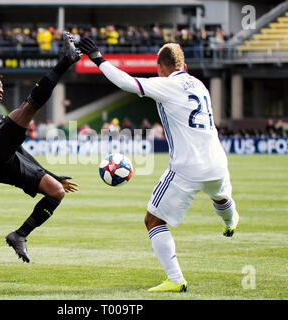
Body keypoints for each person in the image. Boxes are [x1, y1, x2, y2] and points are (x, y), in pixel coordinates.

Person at [79, 38, 239, 292]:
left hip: (187, 168)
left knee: (153, 220)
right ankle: (230, 222)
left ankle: (175, 279)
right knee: (220, 197)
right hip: (217, 161)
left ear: (161, 68)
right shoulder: (199, 85)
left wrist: (97, 57)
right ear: (183, 64)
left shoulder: (167, 84)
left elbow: (125, 82)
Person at [0, 32, 81, 263]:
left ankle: (19, 235)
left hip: (5, 161)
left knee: (56, 191)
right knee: (26, 109)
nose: (1, 89)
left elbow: (21, 151)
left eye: (2, 85)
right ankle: (65, 60)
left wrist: (52, 175)